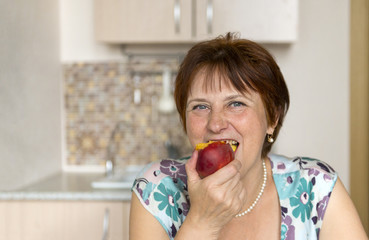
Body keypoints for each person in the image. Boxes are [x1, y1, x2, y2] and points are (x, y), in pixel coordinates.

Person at [129, 33, 367, 239]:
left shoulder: (317, 188)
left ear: (272, 118)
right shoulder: (156, 188)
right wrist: (202, 222)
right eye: (200, 106)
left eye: (235, 103)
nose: (216, 123)